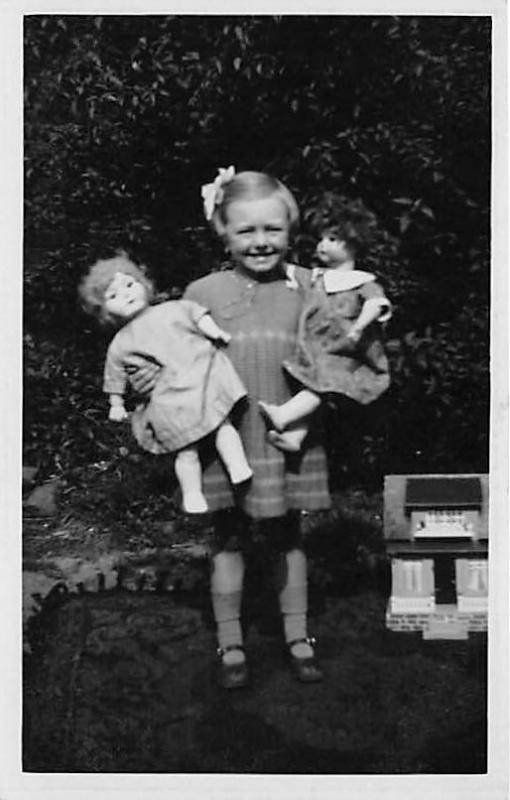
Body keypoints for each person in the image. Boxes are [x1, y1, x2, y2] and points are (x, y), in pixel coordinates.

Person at [129, 168, 331, 689]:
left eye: (272, 229)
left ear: (291, 230)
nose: (260, 242)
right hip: (226, 439)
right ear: (222, 230)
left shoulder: (311, 286)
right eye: (246, 230)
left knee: (288, 535)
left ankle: (297, 635)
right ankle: (230, 639)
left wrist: (310, 422)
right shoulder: (203, 292)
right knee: (226, 538)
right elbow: (173, 362)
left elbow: (334, 367)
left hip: (289, 435)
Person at [78, 253, 252, 514]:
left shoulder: (172, 308)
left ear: (144, 284)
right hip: (171, 396)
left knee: (223, 425)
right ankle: (193, 494)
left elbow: (196, 315)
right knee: (186, 449)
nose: (125, 295)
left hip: (202, 376)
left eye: (129, 284)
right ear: (103, 311)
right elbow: (115, 374)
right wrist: (116, 403)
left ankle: (238, 465)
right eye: (112, 296)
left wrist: (215, 331)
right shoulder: (121, 342)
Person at [258, 193, 392, 452]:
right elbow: (287, 269)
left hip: (346, 352)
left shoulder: (363, 282)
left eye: (332, 239)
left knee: (323, 382)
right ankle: (296, 437)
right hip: (317, 346)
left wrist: (358, 328)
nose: (322, 244)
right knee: (316, 384)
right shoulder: (318, 277)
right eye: (322, 238)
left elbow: (376, 304)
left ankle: (284, 415)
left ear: (353, 242)